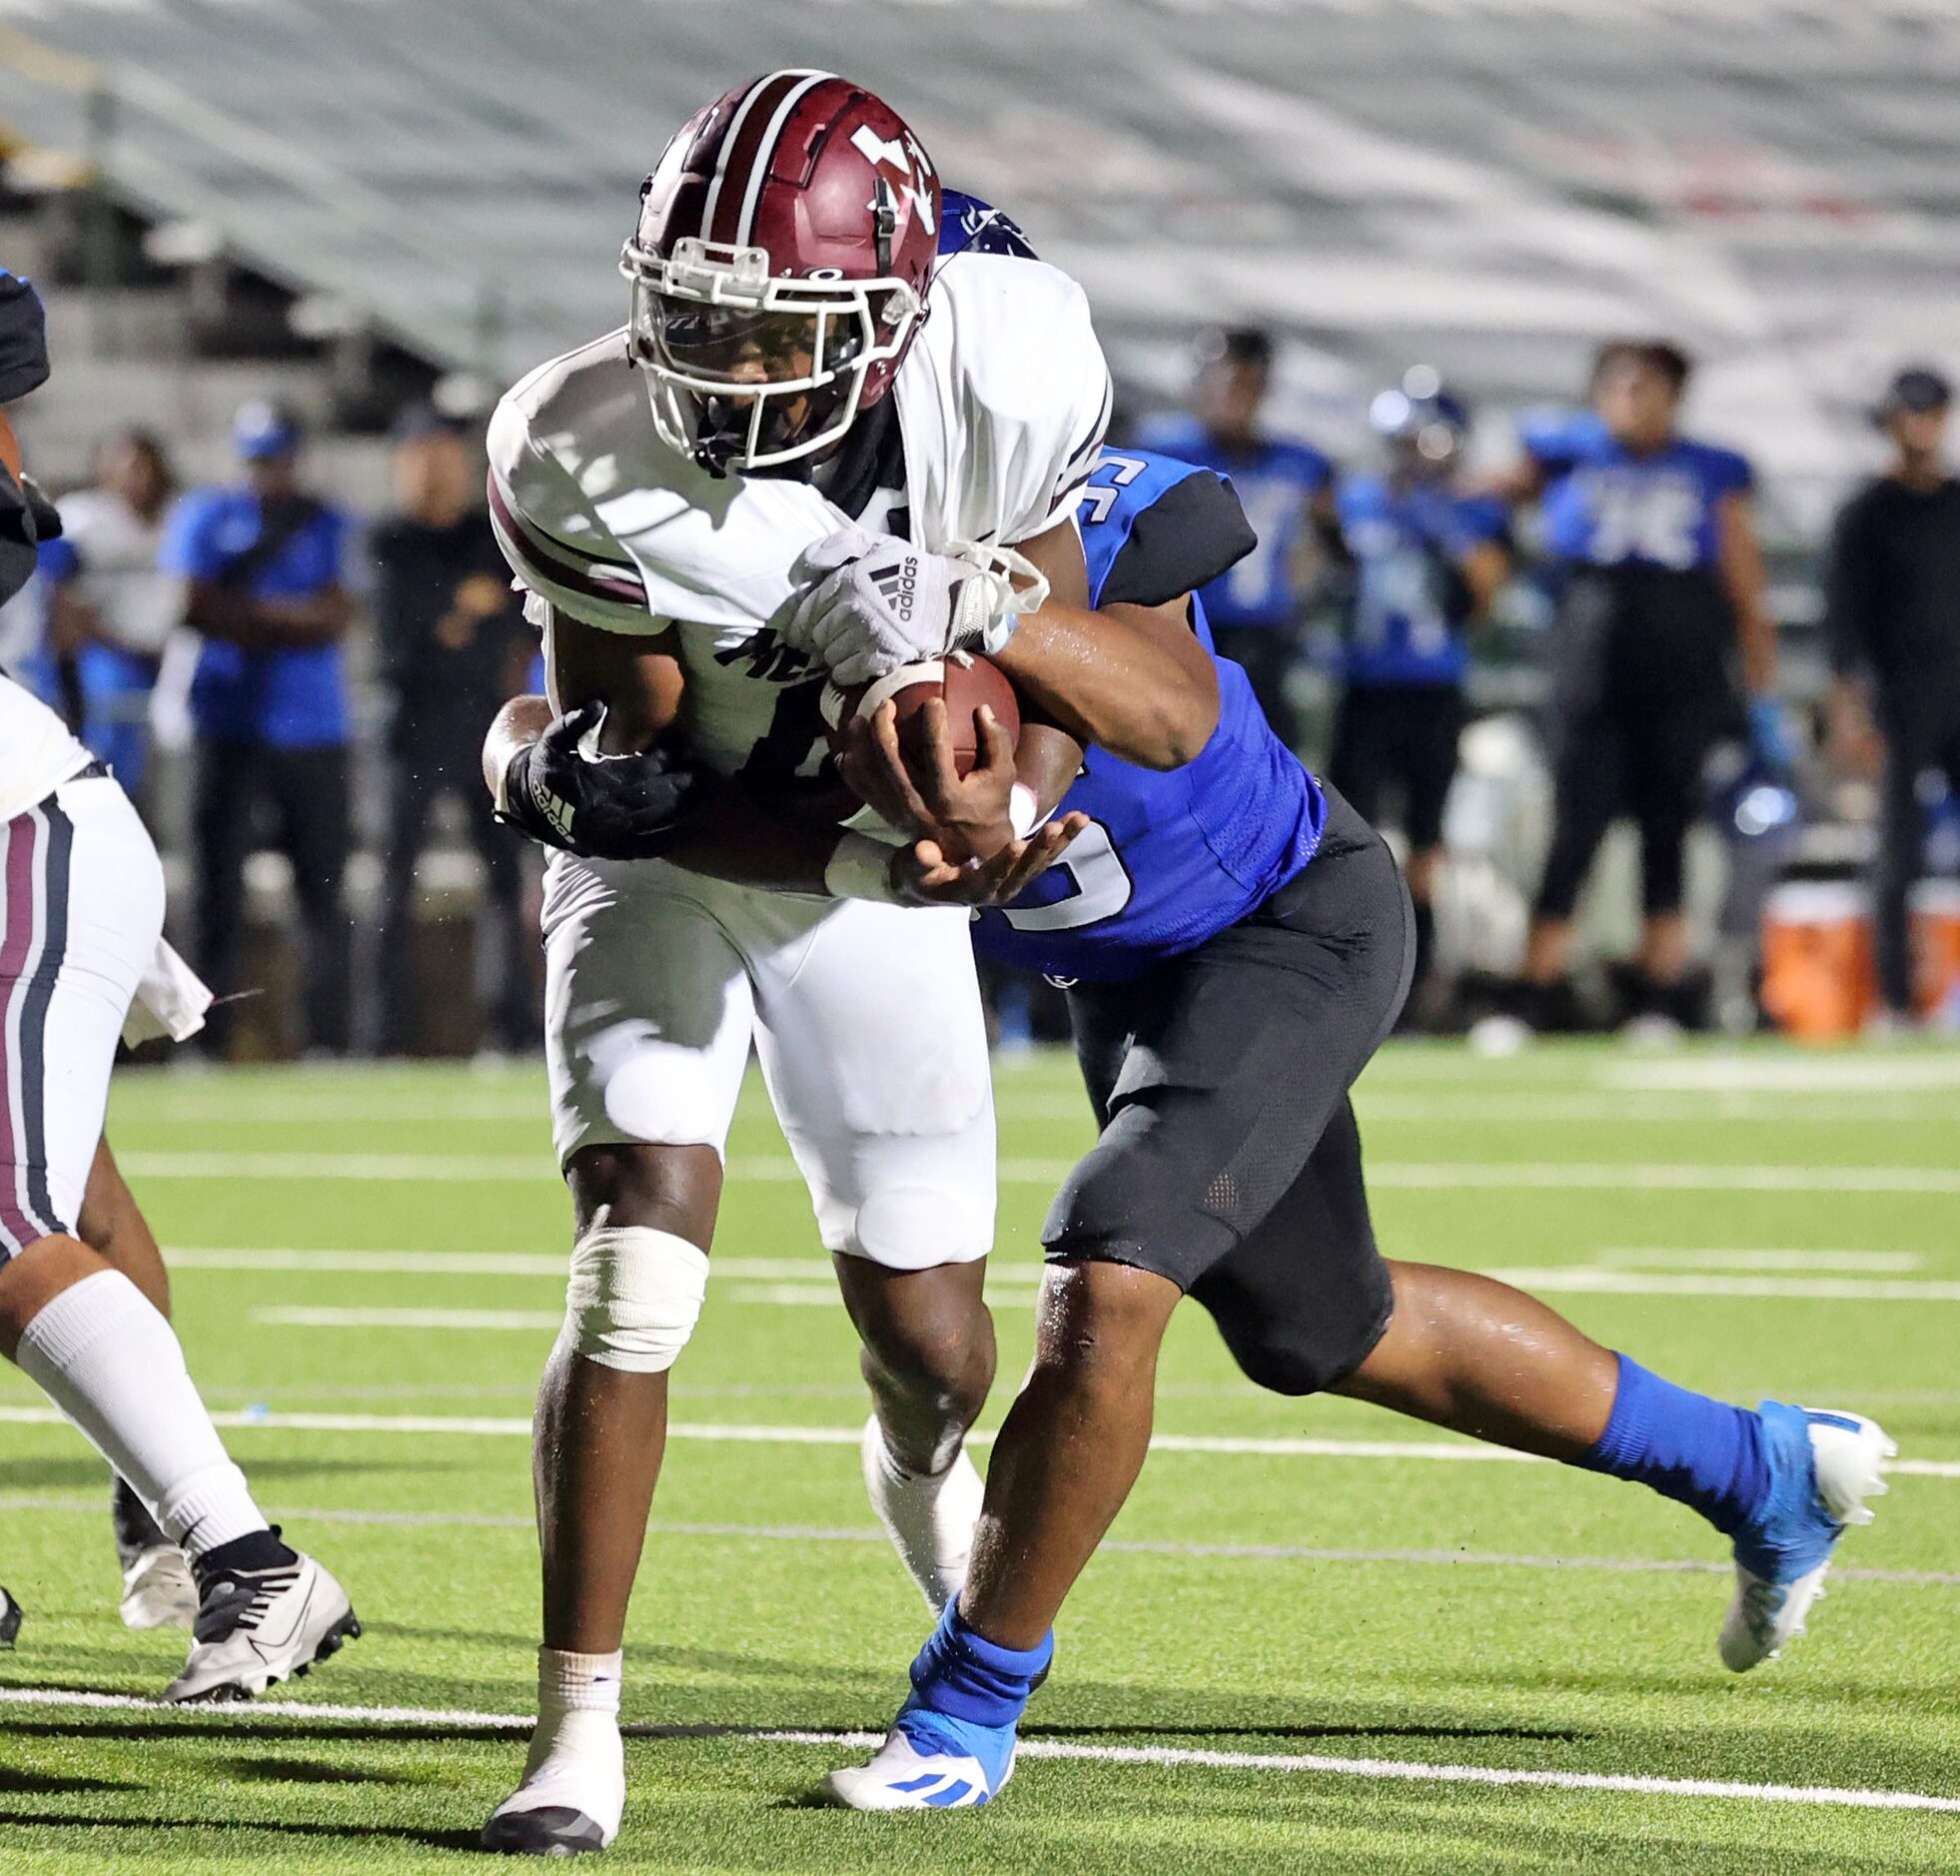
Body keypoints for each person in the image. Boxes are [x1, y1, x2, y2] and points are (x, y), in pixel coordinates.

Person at [810, 443, 1895, 1810]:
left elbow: (1166, 680)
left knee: (1111, 1262)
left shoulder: (1062, 509)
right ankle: (1755, 1464)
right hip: (1134, 978)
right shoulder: (811, 555)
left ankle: (965, 1708)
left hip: (1284, 920)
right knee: (1321, 1326)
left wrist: (988, 633)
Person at [471, 72, 1191, 1854]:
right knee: (638, 1247)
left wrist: (1001, 805)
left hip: (869, 889)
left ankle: (919, 1459)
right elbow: (641, 781)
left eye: (762, 322)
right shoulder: (578, 438)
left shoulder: (1012, 357)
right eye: (688, 310)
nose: (712, 357)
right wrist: (542, 766)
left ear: (894, 312)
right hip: (697, 847)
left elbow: (1048, 663)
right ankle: (576, 1729)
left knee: (939, 1349)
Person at [0, 267, 357, 1701]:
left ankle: (253, 1560)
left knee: (6, 1211)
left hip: (18, 836)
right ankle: (172, 1508)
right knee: (73, 1201)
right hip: (43, 829)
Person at [1501, 341, 1786, 1035]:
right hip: (1593, 674)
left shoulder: (1710, 471)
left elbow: (1744, 578)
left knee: (1669, 831)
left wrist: (1762, 680)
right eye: (1620, 384)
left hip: (1681, 676)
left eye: (1648, 385)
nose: (1633, 398)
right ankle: (1535, 994)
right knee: (1575, 833)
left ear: (1675, 396)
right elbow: (1489, 498)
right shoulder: (1566, 454)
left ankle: (1661, 995)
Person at [164, 401, 358, 1057]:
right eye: (256, 459)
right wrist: (285, 620)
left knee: (321, 892)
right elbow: (192, 608)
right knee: (217, 891)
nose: (266, 473)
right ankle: (206, 1045)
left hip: (313, 729)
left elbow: (336, 616)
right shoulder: (207, 514)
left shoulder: (328, 520)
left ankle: (327, 1040)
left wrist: (247, 616)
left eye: (274, 459)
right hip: (226, 725)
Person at [1329, 373, 1510, 1019]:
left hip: (1434, 689)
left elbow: (1488, 596)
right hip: (1367, 685)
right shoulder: (1356, 501)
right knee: (1351, 833)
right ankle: (1348, 967)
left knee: (1427, 844)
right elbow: (1317, 576)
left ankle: (1419, 983)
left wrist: (1447, 532)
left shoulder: (1471, 511)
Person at [372, 407, 535, 1056]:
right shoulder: (387, 540)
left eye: (445, 454)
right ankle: (381, 1034)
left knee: (503, 879)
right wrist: (466, 613)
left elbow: (518, 620)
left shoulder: (484, 535)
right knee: (391, 884)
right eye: (422, 454)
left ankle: (510, 1027)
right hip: (408, 730)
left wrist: (460, 619)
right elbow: (402, 638)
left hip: (483, 725)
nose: (435, 470)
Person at [1823, 366, 1960, 1027]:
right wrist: (1851, 709)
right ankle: (1897, 1002)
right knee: (1897, 848)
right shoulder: (1866, 514)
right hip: (1900, 695)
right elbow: (1843, 623)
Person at [1142, 327, 1331, 752]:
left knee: (1270, 753)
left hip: (1265, 633)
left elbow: (1328, 545)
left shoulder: (1301, 463)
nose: (1228, 395)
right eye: (1219, 381)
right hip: (1186, 627)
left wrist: (1304, 594)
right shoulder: (1164, 449)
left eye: (1242, 383)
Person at [36, 432, 179, 806]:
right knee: (113, 737)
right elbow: (59, 592)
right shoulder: (84, 516)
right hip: (108, 649)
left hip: (169, 649)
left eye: (142, 467)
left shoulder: (177, 518)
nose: (135, 476)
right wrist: (107, 637)